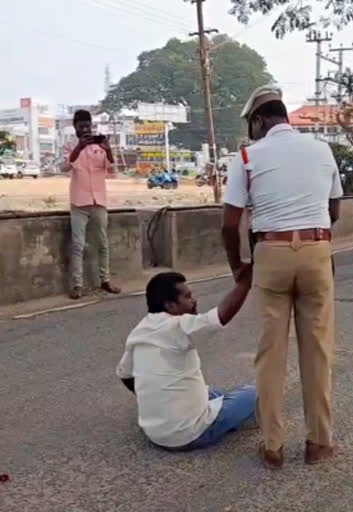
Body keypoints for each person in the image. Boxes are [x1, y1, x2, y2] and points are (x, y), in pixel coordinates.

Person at [221, 85, 343, 469]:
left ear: (259, 120)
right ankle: (319, 443)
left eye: (251, 124)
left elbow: (229, 224)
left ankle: (273, 446)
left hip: (269, 253)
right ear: (285, 116)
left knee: (271, 355)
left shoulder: (245, 157)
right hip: (316, 250)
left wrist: (238, 266)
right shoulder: (322, 150)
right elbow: (334, 208)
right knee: (318, 351)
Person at [116, 270, 256, 450]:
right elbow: (217, 319)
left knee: (211, 392)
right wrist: (244, 283)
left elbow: (124, 374)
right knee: (261, 390)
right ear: (171, 306)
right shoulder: (177, 325)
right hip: (189, 435)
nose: (194, 301)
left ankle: (233, 411)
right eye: (188, 297)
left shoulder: (139, 331)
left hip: (153, 432)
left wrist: (152, 398)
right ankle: (245, 417)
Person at [61, 110, 121, 299]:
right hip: (79, 203)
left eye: (88, 125)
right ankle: (77, 285)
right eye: (82, 126)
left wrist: (108, 149)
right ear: (75, 126)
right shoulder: (70, 146)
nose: (86, 129)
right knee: (78, 245)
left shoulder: (100, 147)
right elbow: (64, 167)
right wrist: (78, 148)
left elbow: (112, 170)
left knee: (103, 244)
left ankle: (105, 280)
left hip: (99, 202)